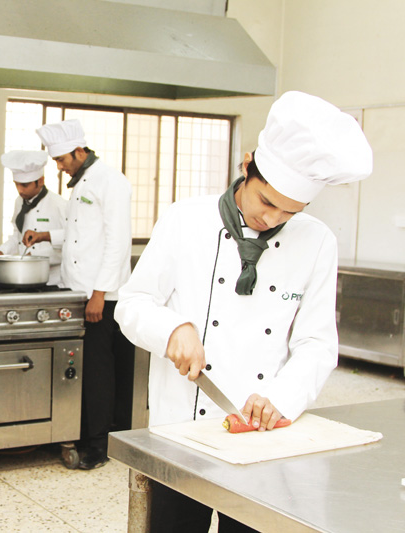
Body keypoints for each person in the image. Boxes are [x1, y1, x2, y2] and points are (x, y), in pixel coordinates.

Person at [114, 91, 373, 532]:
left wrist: (283, 399)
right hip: (182, 429)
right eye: (267, 202)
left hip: (262, 434)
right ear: (246, 166)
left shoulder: (317, 242)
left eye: (290, 211)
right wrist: (173, 326)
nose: (272, 219)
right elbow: (133, 304)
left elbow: (316, 342)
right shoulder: (184, 219)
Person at [31, 119, 133, 469]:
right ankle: (84, 432)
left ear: (79, 151)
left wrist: (99, 294)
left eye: (61, 160)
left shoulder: (111, 181)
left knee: (97, 372)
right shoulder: (81, 183)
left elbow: (118, 242)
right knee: (85, 368)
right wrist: (46, 236)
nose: (58, 167)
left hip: (100, 295)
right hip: (78, 289)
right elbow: (80, 234)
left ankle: (99, 445)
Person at [0, 150, 66, 286]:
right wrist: (1, 251)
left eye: (25, 185)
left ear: (40, 181)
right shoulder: (19, 201)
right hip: (24, 278)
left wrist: (34, 255)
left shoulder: (59, 205)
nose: (20, 190)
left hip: (53, 280)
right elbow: (17, 236)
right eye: (16, 184)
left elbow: (71, 241)